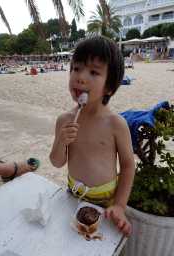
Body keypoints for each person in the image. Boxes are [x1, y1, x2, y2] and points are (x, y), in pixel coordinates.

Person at [50, 36, 135, 237]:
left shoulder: (115, 123)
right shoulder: (65, 120)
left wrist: (120, 205)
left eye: (94, 72)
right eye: (77, 68)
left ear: (109, 87)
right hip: (73, 195)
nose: (80, 77)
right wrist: (61, 142)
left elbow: (128, 165)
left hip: (106, 201)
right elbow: (56, 162)